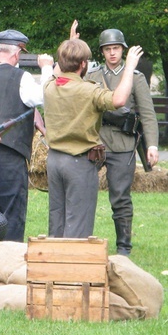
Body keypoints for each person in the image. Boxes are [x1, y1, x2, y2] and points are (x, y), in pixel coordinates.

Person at [44, 38, 142, 240]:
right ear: (83, 65)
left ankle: (54, 266)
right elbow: (119, 100)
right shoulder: (88, 90)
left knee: (57, 219)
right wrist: (130, 66)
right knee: (78, 224)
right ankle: (73, 268)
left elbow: (57, 72)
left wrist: (70, 42)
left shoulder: (49, 87)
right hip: (78, 163)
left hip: (53, 161)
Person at [0, 30, 54, 242]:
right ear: (17, 54)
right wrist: (46, 68)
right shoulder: (21, 77)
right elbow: (44, 96)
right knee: (11, 218)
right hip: (10, 157)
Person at [86, 28, 159, 256]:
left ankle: (124, 247)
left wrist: (153, 145)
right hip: (96, 142)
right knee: (84, 192)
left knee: (120, 197)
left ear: (123, 50)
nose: (112, 53)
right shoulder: (92, 76)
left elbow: (147, 113)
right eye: (108, 49)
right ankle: (80, 241)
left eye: (116, 48)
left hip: (123, 144)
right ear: (102, 52)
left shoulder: (135, 78)